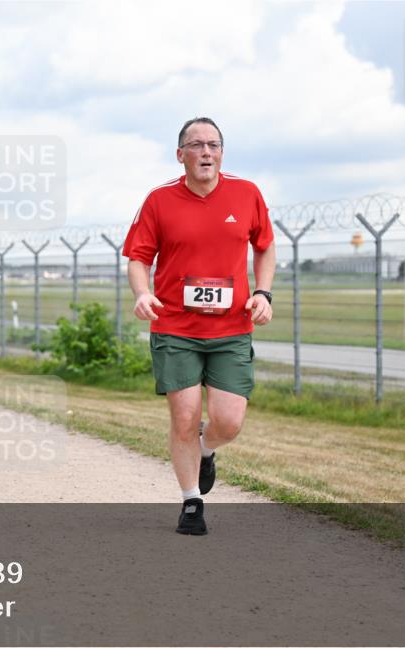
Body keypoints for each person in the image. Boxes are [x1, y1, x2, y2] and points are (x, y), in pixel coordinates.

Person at [123, 117, 275, 535]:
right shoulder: (159, 200)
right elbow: (138, 257)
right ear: (181, 155)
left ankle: (207, 450)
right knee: (185, 416)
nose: (206, 152)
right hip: (174, 326)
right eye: (196, 145)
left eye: (213, 145)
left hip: (231, 330)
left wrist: (263, 293)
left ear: (222, 153)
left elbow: (265, 247)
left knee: (228, 422)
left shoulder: (246, 194)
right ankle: (192, 500)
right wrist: (142, 293)